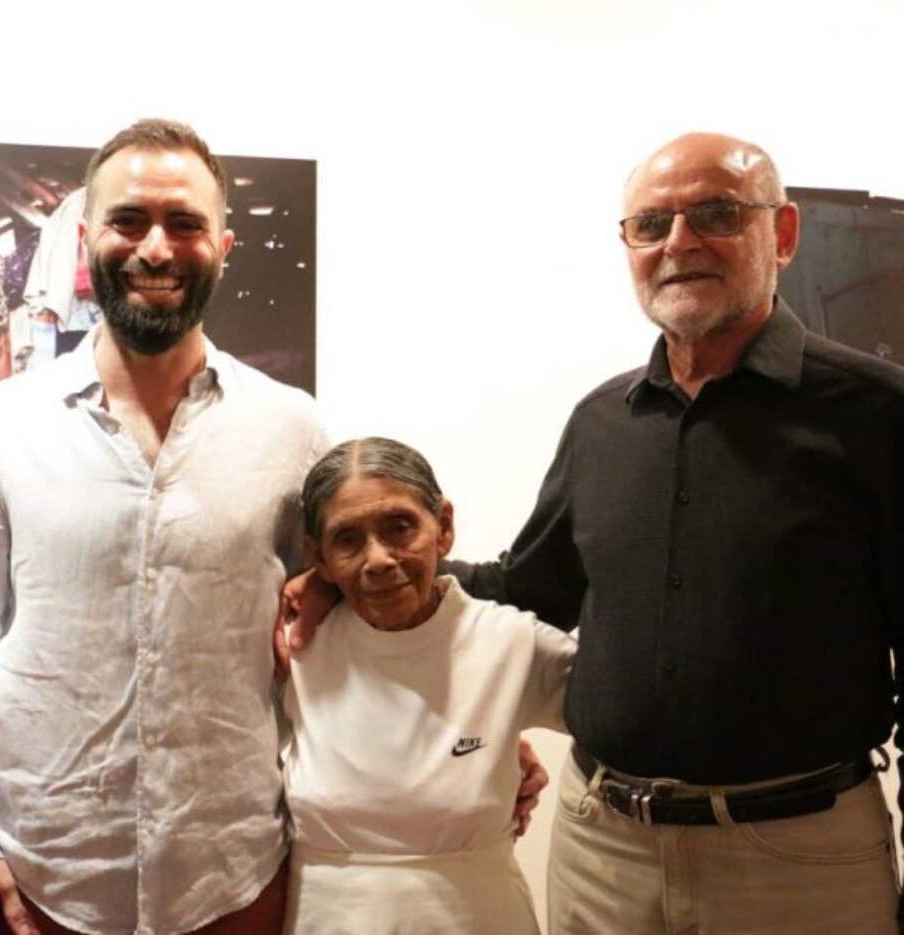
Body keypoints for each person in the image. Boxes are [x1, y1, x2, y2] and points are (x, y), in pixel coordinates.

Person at [284, 132, 904, 934]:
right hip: (603, 850)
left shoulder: (878, 415)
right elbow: (529, 587)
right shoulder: (602, 421)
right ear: (628, 247)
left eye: (714, 213)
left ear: (781, 235)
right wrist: (363, 573)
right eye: (651, 224)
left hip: (797, 858)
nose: (679, 241)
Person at [0, 119, 330, 935]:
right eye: (128, 220)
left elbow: (346, 629)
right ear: (85, 235)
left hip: (238, 881)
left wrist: (460, 727)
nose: (155, 247)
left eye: (185, 224)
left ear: (223, 245)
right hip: (40, 884)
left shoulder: (294, 429)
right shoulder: (3, 424)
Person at [281, 437, 574, 934]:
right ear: (318, 557)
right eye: (347, 539)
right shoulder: (295, 646)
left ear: (444, 527)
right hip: (325, 919)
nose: (377, 559)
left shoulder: (510, 639)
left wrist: (498, 758)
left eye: (399, 528)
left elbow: (629, 721)